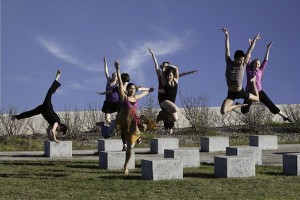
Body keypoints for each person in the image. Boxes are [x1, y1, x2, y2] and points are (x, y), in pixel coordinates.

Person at [114, 60, 154, 175]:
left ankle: (137, 138)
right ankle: (126, 166)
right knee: (129, 148)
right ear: (127, 90)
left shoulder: (136, 97)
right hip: (125, 122)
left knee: (131, 147)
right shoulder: (124, 97)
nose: (132, 89)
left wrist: (149, 91)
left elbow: (144, 94)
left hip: (135, 122)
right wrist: (118, 69)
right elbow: (121, 85)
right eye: (130, 88)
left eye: (133, 88)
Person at [148, 47, 198, 134]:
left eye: (166, 66)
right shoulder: (162, 76)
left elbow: (179, 72)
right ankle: (166, 124)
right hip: (163, 97)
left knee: (174, 117)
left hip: (170, 99)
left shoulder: (173, 77)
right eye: (164, 65)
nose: (165, 67)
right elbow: (156, 65)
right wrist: (153, 54)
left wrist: (190, 72)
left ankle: (166, 122)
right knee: (173, 109)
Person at [241, 41, 292, 122]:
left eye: (258, 64)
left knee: (270, 105)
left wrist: (268, 48)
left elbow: (265, 60)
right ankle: (238, 105)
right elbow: (249, 55)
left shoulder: (260, 70)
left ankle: (285, 116)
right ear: (253, 64)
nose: (257, 65)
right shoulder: (248, 69)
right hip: (250, 92)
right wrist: (250, 46)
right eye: (256, 63)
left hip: (259, 92)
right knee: (244, 111)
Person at [11, 70, 67, 143]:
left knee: (30, 113)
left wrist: (51, 140)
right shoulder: (56, 123)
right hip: (47, 107)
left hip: (42, 110)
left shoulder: (53, 124)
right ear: (61, 127)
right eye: (60, 131)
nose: (58, 131)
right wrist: (55, 139)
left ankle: (15, 116)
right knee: (49, 92)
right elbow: (52, 131)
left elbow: (48, 130)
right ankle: (57, 77)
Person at [220, 27, 260, 115]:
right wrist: (227, 36)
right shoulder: (229, 62)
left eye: (242, 60)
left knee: (257, 99)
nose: (242, 62)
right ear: (235, 58)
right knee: (223, 111)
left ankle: (253, 83)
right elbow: (227, 49)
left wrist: (255, 41)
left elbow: (249, 51)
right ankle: (237, 106)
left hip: (240, 92)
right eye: (240, 60)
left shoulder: (243, 64)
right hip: (231, 94)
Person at [96, 56, 119, 126]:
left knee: (119, 116)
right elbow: (106, 71)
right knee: (107, 119)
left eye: (116, 75)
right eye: (114, 75)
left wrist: (117, 68)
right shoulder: (109, 81)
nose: (115, 76)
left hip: (116, 102)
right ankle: (109, 126)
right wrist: (105, 62)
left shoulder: (118, 84)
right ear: (112, 76)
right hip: (108, 102)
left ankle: (118, 125)